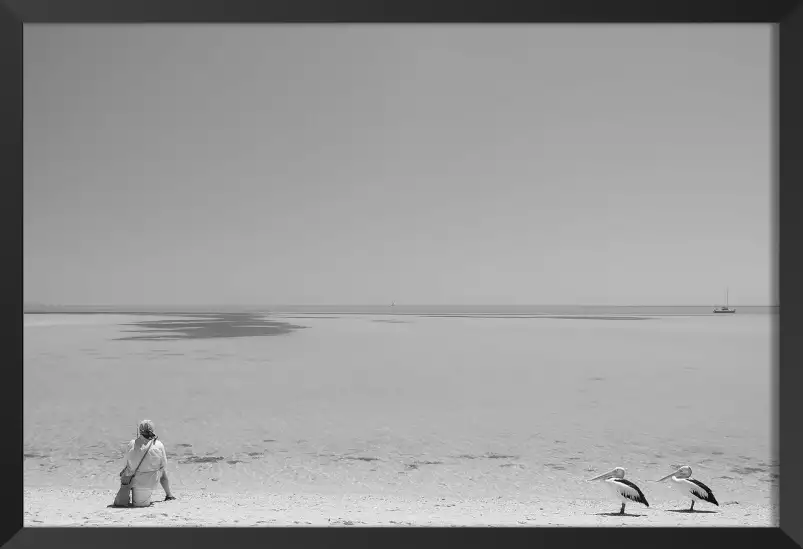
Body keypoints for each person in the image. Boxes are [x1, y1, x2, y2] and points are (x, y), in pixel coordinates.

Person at [121, 419, 176, 507]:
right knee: (163, 472)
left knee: (125, 472)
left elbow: (125, 464)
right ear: (152, 430)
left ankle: (124, 496)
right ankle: (169, 495)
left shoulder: (132, 443)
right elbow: (164, 465)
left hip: (135, 481)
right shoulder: (159, 444)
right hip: (152, 481)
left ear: (140, 431)